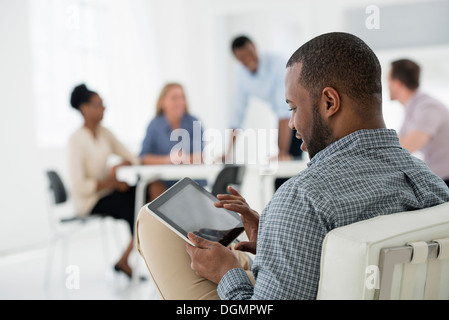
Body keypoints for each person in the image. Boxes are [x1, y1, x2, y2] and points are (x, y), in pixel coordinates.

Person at [136, 32, 449, 300]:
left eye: (293, 107)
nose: (293, 123)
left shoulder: (302, 201)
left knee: (152, 221)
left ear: (329, 102)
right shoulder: (432, 185)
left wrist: (227, 272)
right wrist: (277, 237)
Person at [68, 84, 139, 279]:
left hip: (107, 193)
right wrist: (113, 183)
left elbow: (132, 156)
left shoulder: (105, 133)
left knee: (145, 193)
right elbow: (79, 187)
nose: (104, 108)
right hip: (89, 202)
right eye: (98, 104)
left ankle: (125, 258)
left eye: (103, 103)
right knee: (136, 205)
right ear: (84, 108)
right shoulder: (76, 140)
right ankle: (127, 258)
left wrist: (120, 165)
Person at [224, 36, 303, 164]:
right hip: (289, 116)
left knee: (288, 168)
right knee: (281, 176)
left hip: (300, 113)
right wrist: (228, 153)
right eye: (243, 58)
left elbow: (284, 110)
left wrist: (282, 153)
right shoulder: (241, 74)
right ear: (237, 59)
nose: (248, 59)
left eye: (250, 53)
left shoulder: (277, 64)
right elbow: (237, 114)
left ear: (255, 47)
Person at [388, 59, 449, 187]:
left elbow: (403, 151)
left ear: (397, 84)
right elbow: (397, 147)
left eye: (388, 80)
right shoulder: (412, 107)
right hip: (439, 178)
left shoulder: (427, 107)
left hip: (445, 180)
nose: (386, 85)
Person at [140, 83, 205, 201]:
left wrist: (183, 159)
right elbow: (144, 158)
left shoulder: (193, 122)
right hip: (164, 184)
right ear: (162, 102)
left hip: (192, 181)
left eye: (182, 97)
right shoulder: (154, 125)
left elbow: (200, 156)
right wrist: (168, 160)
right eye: (174, 98)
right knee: (154, 186)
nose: (179, 102)